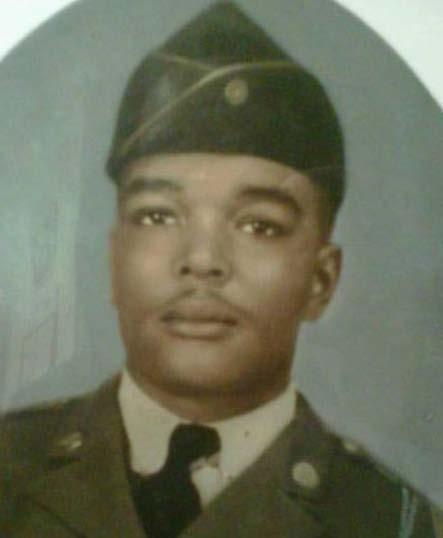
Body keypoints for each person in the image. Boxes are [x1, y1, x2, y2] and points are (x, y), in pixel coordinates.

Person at [0, 2, 437, 537]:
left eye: (259, 225)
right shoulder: (9, 468)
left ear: (322, 280)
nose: (203, 260)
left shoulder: (396, 521)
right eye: (158, 216)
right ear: (114, 260)